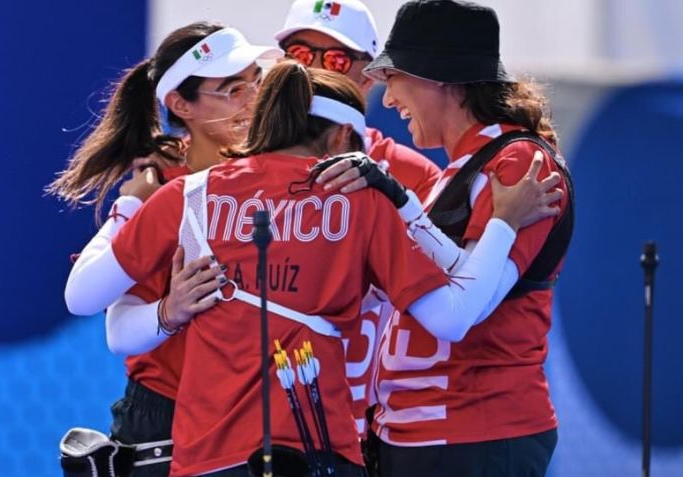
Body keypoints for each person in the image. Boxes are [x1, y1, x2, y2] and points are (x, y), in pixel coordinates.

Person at [64, 59, 561, 476]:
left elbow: (83, 298)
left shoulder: (188, 195)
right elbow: (453, 317)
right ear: (344, 135)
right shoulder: (361, 201)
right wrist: (503, 222)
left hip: (205, 457)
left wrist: (130, 210)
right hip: (319, 449)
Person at [315, 1, 573, 475]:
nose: (387, 100)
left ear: (438, 77)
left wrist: (398, 202)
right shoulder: (454, 169)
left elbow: (471, 304)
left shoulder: (516, 163)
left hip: (476, 431)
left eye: (393, 77)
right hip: (421, 433)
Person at [51, 22, 281, 476]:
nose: (253, 100)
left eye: (257, 81)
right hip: (166, 420)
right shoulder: (164, 193)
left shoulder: (278, 182)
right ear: (180, 105)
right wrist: (168, 309)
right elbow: (102, 316)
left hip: (254, 417)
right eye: (233, 89)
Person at [274, 0, 442, 437]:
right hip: (257, 423)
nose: (310, 71)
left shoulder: (413, 175)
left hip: (361, 422)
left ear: (368, 77)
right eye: (298, 54)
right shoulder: (238, 165)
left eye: (334, 59)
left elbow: (442, 303)